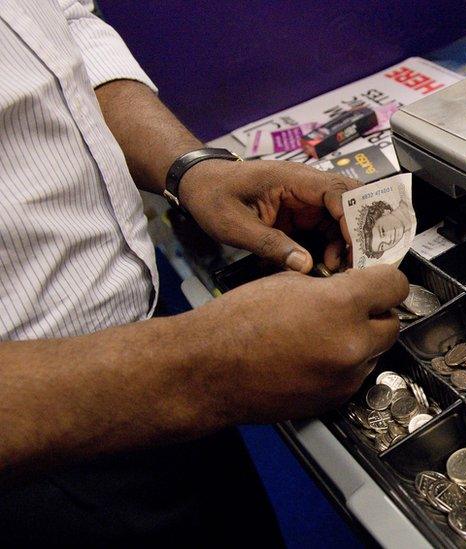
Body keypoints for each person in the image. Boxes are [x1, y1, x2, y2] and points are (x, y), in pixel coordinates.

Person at [0, 0, 408, 545]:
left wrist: (190, 167)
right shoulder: (201, 366)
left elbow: (60, 33)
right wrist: (199, 366)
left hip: (155, 345)